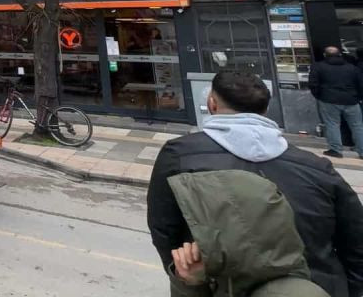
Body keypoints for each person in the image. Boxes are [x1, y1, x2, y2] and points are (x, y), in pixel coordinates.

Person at [148, 69, 363, 297]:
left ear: (212, 104)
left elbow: (164, 228)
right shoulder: (317, 167)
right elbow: (355, 240)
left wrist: (184, 276)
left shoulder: (180, 155)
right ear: (266, 110)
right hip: (316, 287)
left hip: (222, 285)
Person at [166, 170, 330, 297]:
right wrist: (192, 282)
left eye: (202, 229)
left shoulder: (291, 294)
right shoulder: (232, 278)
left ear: (236, 232)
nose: (194, 242)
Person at [309, 46, 363, 158]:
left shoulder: (318, 67)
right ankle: (361, 150)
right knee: (357, 126)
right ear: (340, 54)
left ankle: (336, 150)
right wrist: (358, 97)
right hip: (351, 100)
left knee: (332, 124)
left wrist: (320, 96)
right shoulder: (352, 68)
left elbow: (313, 84)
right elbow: (360, 84)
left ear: (325, 55)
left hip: (328, 100)